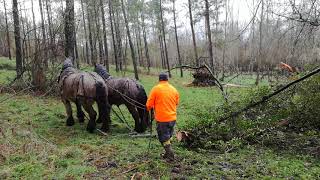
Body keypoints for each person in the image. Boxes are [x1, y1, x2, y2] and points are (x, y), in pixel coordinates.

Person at [146, 72, 180, 161]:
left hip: (162, 119)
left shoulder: (156, 89)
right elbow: (176, 103)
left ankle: (170, 156)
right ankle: (167, 153)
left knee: (163, 138)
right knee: (168, 136)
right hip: (173, 118)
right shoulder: (174, 89)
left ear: (159, 79)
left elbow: (149, 105)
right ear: (167, 79)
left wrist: (150, 107)